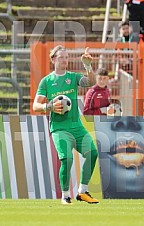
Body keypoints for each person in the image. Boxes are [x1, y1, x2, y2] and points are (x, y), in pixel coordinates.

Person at [32, 45, 99, 205]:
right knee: (67, 159)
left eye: (67, 57)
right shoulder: (46, 81)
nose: (65, 60)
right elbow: (35, 106)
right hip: (59, 128)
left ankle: (82, 191)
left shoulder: (73, 77)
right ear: (53, 59)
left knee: (93, 153)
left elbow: (91, 82)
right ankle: (65, 196)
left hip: (76, 126)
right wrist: (49, 106)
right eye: (61, 57)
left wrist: (88, 65)